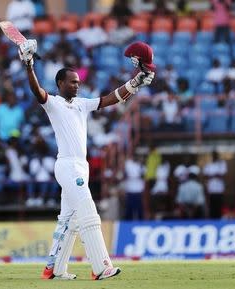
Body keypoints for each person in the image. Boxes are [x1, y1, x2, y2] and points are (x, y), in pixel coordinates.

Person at [18, 39, 154, 280]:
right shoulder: (54, 103)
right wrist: (29, 64)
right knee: (88, 212)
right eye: (72, 82)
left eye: (78, 82)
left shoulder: (81, 104)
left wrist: (134, 83)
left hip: (82, 167)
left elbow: (110, 99)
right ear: (60, 84)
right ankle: (101, 268)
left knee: (68, 220)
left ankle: (54, 269)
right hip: (67, 165)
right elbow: (37, 92)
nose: (77, 86)